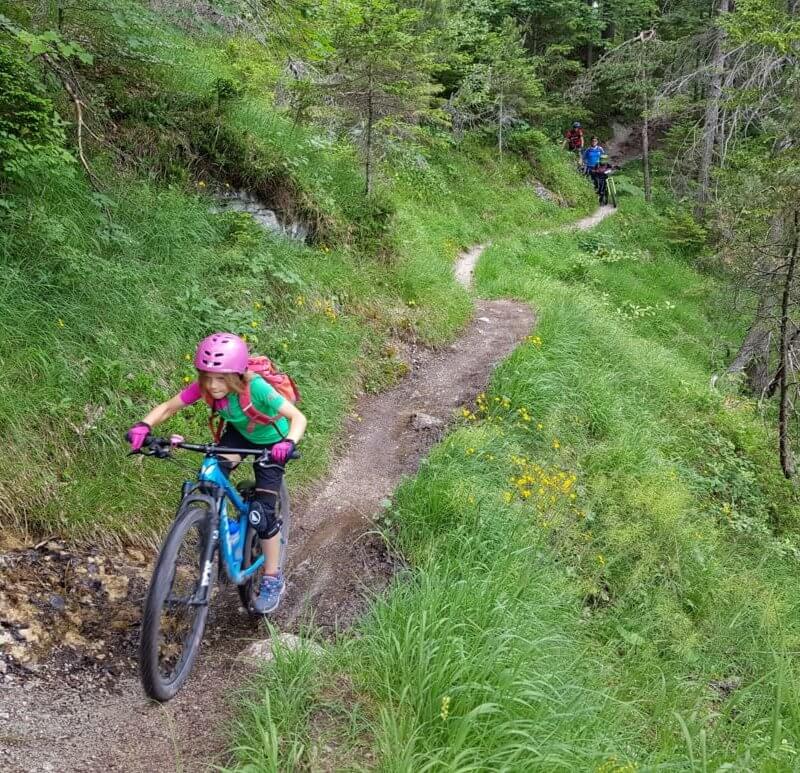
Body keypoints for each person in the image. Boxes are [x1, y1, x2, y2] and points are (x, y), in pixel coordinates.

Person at [126, 332, 307, 614]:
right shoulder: (206, 387)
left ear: (237, 375)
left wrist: (288, 443)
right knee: (209, 476)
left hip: (272, 444)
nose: (213, 385)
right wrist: (144, 425)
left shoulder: (256, 387)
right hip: (239, 437)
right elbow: (169, 407)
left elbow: (297, 417)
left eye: (221, 378)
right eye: (207, 376)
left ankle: (273, 579)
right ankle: (230, 532)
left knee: (262, 513)